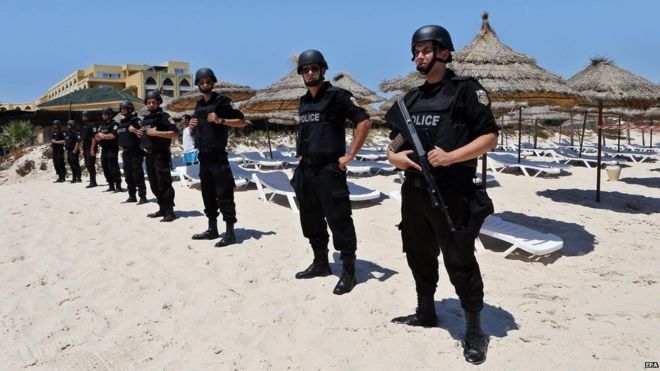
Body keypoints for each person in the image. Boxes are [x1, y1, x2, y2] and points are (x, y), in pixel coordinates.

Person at [385, 25, 498, 365]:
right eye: (416, 50)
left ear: (445, 52)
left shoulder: (466, 91)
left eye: (426, 50)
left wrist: (451, 156)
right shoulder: (411, 99)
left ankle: (475, 328)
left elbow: (490, 137)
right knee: (418, 253)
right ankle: (425, 311)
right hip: (415, 191)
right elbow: (395, 142)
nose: (420, 56)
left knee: (459, 258)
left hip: (453, 190)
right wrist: (393, 157)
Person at [291, 50, 372, 295]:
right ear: (301, 74)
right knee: (310, 218)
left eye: (314, 68)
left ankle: (348, 271)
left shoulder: (337, 96)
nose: (310, 73)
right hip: (306, 167)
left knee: (339, 219)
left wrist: (350, 154)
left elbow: (364, 121)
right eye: (305, 70)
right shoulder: (304, 101)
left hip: (329, 168)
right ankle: (320, 263)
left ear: (323, 70)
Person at [189, 68, 247, 247]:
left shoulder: (221, 102)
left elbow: (242, 121)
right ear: (198, 84)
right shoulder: (198, 105)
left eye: (208, 82)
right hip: (203, 156)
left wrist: (221, 120)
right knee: (207, 194)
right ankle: (212, 229)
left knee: (224, 193)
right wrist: (191, 125)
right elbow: (197, 130)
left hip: (218, 156)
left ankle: (230, 233)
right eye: (201, 82)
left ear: (213, 83)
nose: (205, 85)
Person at [137, 91, 178, 222]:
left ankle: (170, 211)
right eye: (148, 102)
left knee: (164, 183)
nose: (150, 104)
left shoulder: (164, 116)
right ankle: (162, 208)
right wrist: (140, 134)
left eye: (153, 102)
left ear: (159, 102)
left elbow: (174, 133)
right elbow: (147, 133)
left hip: (161, 154)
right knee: (154, 184)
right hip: (148, 155)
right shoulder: (146, 119)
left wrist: (156, 133)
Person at [116, 101, 148, 204]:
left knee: (137, 174)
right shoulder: (121, 122)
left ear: (130, 109)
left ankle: (142, 197)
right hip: (125, 152)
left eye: (124, 108)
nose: (122, 110)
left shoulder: (135, 120)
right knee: (128, 175)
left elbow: (144, 133)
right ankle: (132, 196)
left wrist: (134, 130)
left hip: (135, 151)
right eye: (121, 109)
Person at [93, 107, 123, 192]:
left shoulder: (115, 124)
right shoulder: (102, 125)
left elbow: (113, 136)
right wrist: (98, 137)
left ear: (110, 115)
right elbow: (96, 136)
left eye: (105, 114)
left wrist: (102, 136)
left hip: (112, 148)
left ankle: (118, 185)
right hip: (104, 149)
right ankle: (111, 185)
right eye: (102, 114)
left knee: (113, 167)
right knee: (105, 167)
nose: (103, 116)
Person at [79, 111, 98, 188]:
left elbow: (94, 137)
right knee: (87, 164)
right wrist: (81, 148)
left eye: (85, 116)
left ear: (88, 116)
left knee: (91, 164)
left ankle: (93, 182)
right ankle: (92, 181)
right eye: (82, 116)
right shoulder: (82, 125)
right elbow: (82, 138)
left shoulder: (92, 125)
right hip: (85, 147)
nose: (83, 117)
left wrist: (92, 149)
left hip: (91, 146)